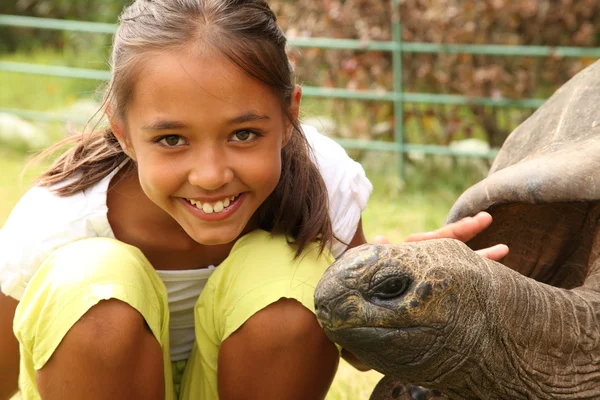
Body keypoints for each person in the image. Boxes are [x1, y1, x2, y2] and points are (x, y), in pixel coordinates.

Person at [0, 1, 508, 399]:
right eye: (172, 140)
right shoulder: (56, 220)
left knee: (285, 282)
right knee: (93, 284)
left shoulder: (325, 180)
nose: (210, 176)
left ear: (289, 115)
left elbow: (357, 349)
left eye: (243, 134)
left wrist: (403, 280)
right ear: (123, 132)